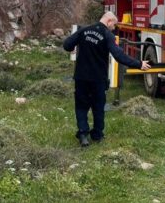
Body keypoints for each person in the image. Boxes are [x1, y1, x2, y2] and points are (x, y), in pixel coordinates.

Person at [63, 12, 150, 147]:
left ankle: (83, 134)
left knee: (81, 106)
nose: (113, 28)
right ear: (109, 21)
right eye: (113, 25)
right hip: (98, 78)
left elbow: (67, 45)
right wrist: (139, 64)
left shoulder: (84, 30)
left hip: (81, 77)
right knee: (98, 107)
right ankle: (97, 135)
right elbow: (119, 55)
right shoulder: (107, 35)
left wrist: (74, 47)